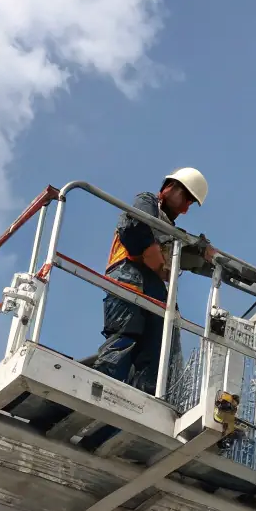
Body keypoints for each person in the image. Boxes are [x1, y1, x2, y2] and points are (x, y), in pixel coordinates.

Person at [80, 167, 217, 394]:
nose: (185, 208)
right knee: (126, 338)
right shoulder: (146, 202)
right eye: (186, 198)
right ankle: (99, 387)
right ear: (169, 188)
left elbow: (188, 256)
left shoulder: (173, 233)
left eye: (190, 203)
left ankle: (145, 395)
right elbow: (136, 227)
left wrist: (206, 253)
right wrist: (151, 251)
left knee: (159, 348)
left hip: (153, 287)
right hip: (128, 276)